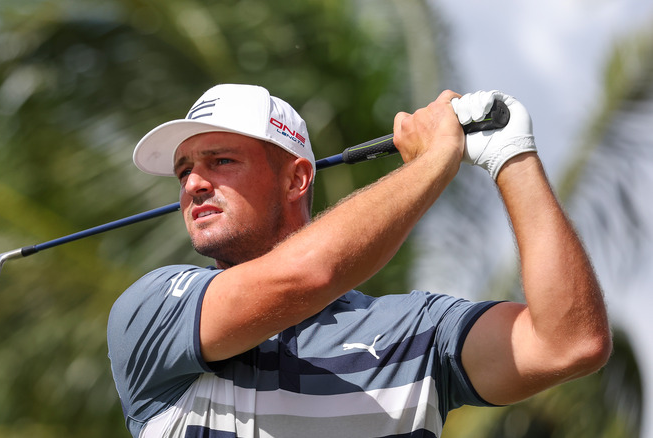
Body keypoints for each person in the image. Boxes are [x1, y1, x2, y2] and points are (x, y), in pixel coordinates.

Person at [107, 84, 612, 438]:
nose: (193, 183)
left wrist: (511, 157)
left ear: (294, 180)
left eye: (220, 161)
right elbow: (307, 274)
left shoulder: (417, 331)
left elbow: (568, 343)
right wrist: (438, 159)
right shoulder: (153, 310)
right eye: (183, 170)